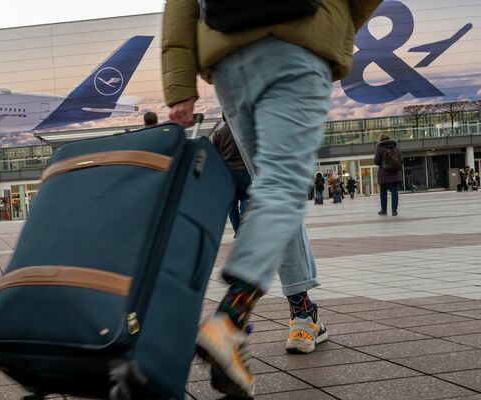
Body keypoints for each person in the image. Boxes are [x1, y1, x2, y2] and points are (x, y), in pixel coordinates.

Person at [162, 0, 380, 397]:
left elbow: (179, 5)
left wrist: (179, 87)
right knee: (282, 189)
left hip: (229, 58)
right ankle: (231, 319)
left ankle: (303, 312)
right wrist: (339, 24)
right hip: (297, 45)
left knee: (275, 190)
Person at [212, 117, 250, 236]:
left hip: (227, 173)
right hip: (242, 169)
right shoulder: (242, 132)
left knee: (231, 203)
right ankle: (244, 222)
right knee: (245, 197)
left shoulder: (218, 134)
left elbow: (214, 153)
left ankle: (237, 230)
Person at [375, 134, 402, 216]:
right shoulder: (395, 147)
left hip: (384, 174)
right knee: (394, 192)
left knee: (383, 193)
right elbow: (401, 159)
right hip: (395, 173)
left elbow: (376, 161)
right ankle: (394, 210)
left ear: (381, 139)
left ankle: (384, 210)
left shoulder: (379, 148)